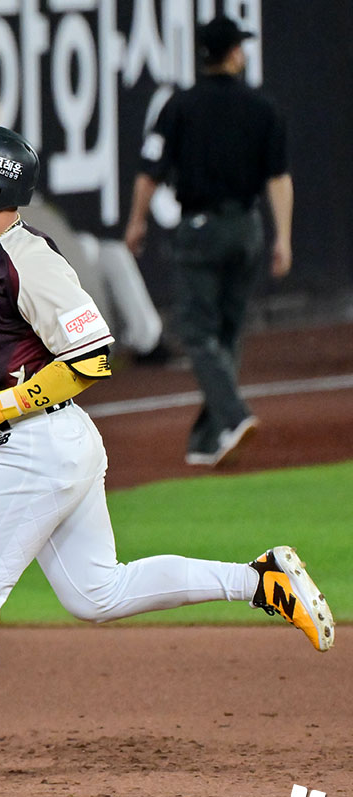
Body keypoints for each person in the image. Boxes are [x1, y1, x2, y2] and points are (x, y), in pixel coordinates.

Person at [0, 125, 331, 795]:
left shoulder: (29, 258)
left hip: (36, 447)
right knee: (96, 591)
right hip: (50, 444)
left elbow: (92, 356)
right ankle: (261, 581)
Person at [124, 14, 293, 466]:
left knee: (198, 333)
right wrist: (283, 237)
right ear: (234, 54)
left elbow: (149, 171)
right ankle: (207, 440)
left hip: (200, 229)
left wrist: (136, 223)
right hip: (247, 228)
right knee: (228, 333)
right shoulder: (262, 107)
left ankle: (233, 416)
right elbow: (279, 178)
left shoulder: (180, 106)